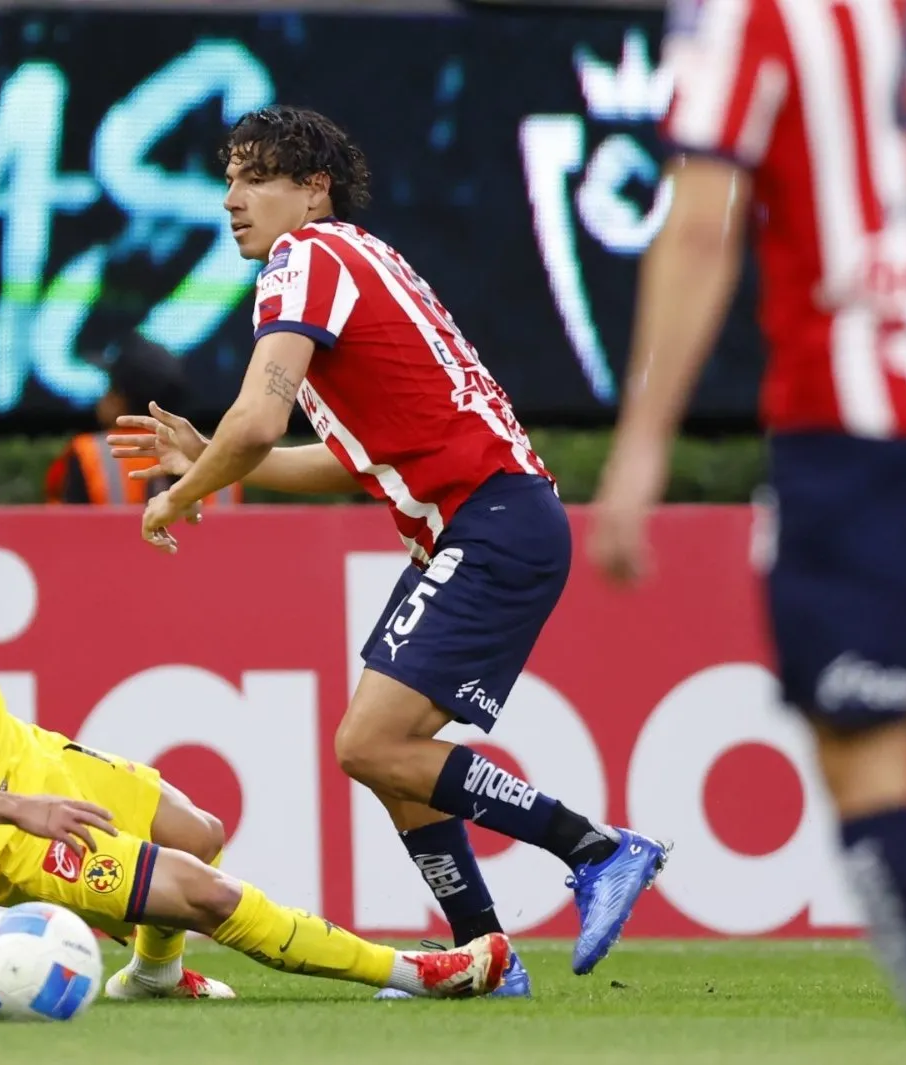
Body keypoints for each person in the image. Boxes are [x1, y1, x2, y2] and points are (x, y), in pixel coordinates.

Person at [115, 104, 668, 998]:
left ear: (312, 189)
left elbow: (257, 419)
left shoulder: (306, 258)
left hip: (489, 522)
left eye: (255, 178)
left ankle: (598, 849)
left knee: (368, 743)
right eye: (228, 179)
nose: (231, 200)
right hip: (487, 521)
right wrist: (213, 462)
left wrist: (183, 489)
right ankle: (485, 952)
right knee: (392, 756)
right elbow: (349, 462)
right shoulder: (356, 258)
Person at [0, 420, 509, 1003]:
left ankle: (151, 976)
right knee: (209, 895)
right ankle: (416, 973)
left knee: (196, 830)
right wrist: (25, 810)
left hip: (30, 760)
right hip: (3, 833)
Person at [589, 1, 906, 1061]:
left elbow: (697, 224)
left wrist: (639, 446)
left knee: (862, 757)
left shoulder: (756, 17)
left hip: (855, 438)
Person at [44, 332, 241, 508]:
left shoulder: (91, 454)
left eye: (109, 386)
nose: (103, 397)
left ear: (120, 400)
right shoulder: (219, 458)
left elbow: (66, 532)